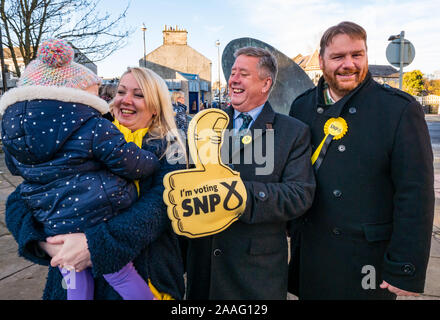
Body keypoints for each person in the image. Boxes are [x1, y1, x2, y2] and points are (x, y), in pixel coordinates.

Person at [4, 65, 187, 300]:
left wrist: (95, 245)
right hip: (71, 273)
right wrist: (46, 244)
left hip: (146, 276)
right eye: (121, 92)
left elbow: (160, 206)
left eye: (139, 95)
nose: (126, 100)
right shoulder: (83, 133)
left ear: (156, 106)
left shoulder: (172, 146)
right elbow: (21, 200)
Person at [288, 21, 434, 300]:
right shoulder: (301, 106)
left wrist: (405, 268)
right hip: (313, 253)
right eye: (338, 57)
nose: (349, 64)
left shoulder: (400, 109)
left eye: (357, 55)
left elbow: (415, 195)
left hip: (368, 259)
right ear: (321, 61)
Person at [185, 46, 315, 299]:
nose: (233, 79)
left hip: (254, 275)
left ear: (266, 84)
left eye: (243, 73)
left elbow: (299, 195)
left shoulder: (294, 132)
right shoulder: (204, 124)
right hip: (204, 269)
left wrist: (234, 194)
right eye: (233, 72)